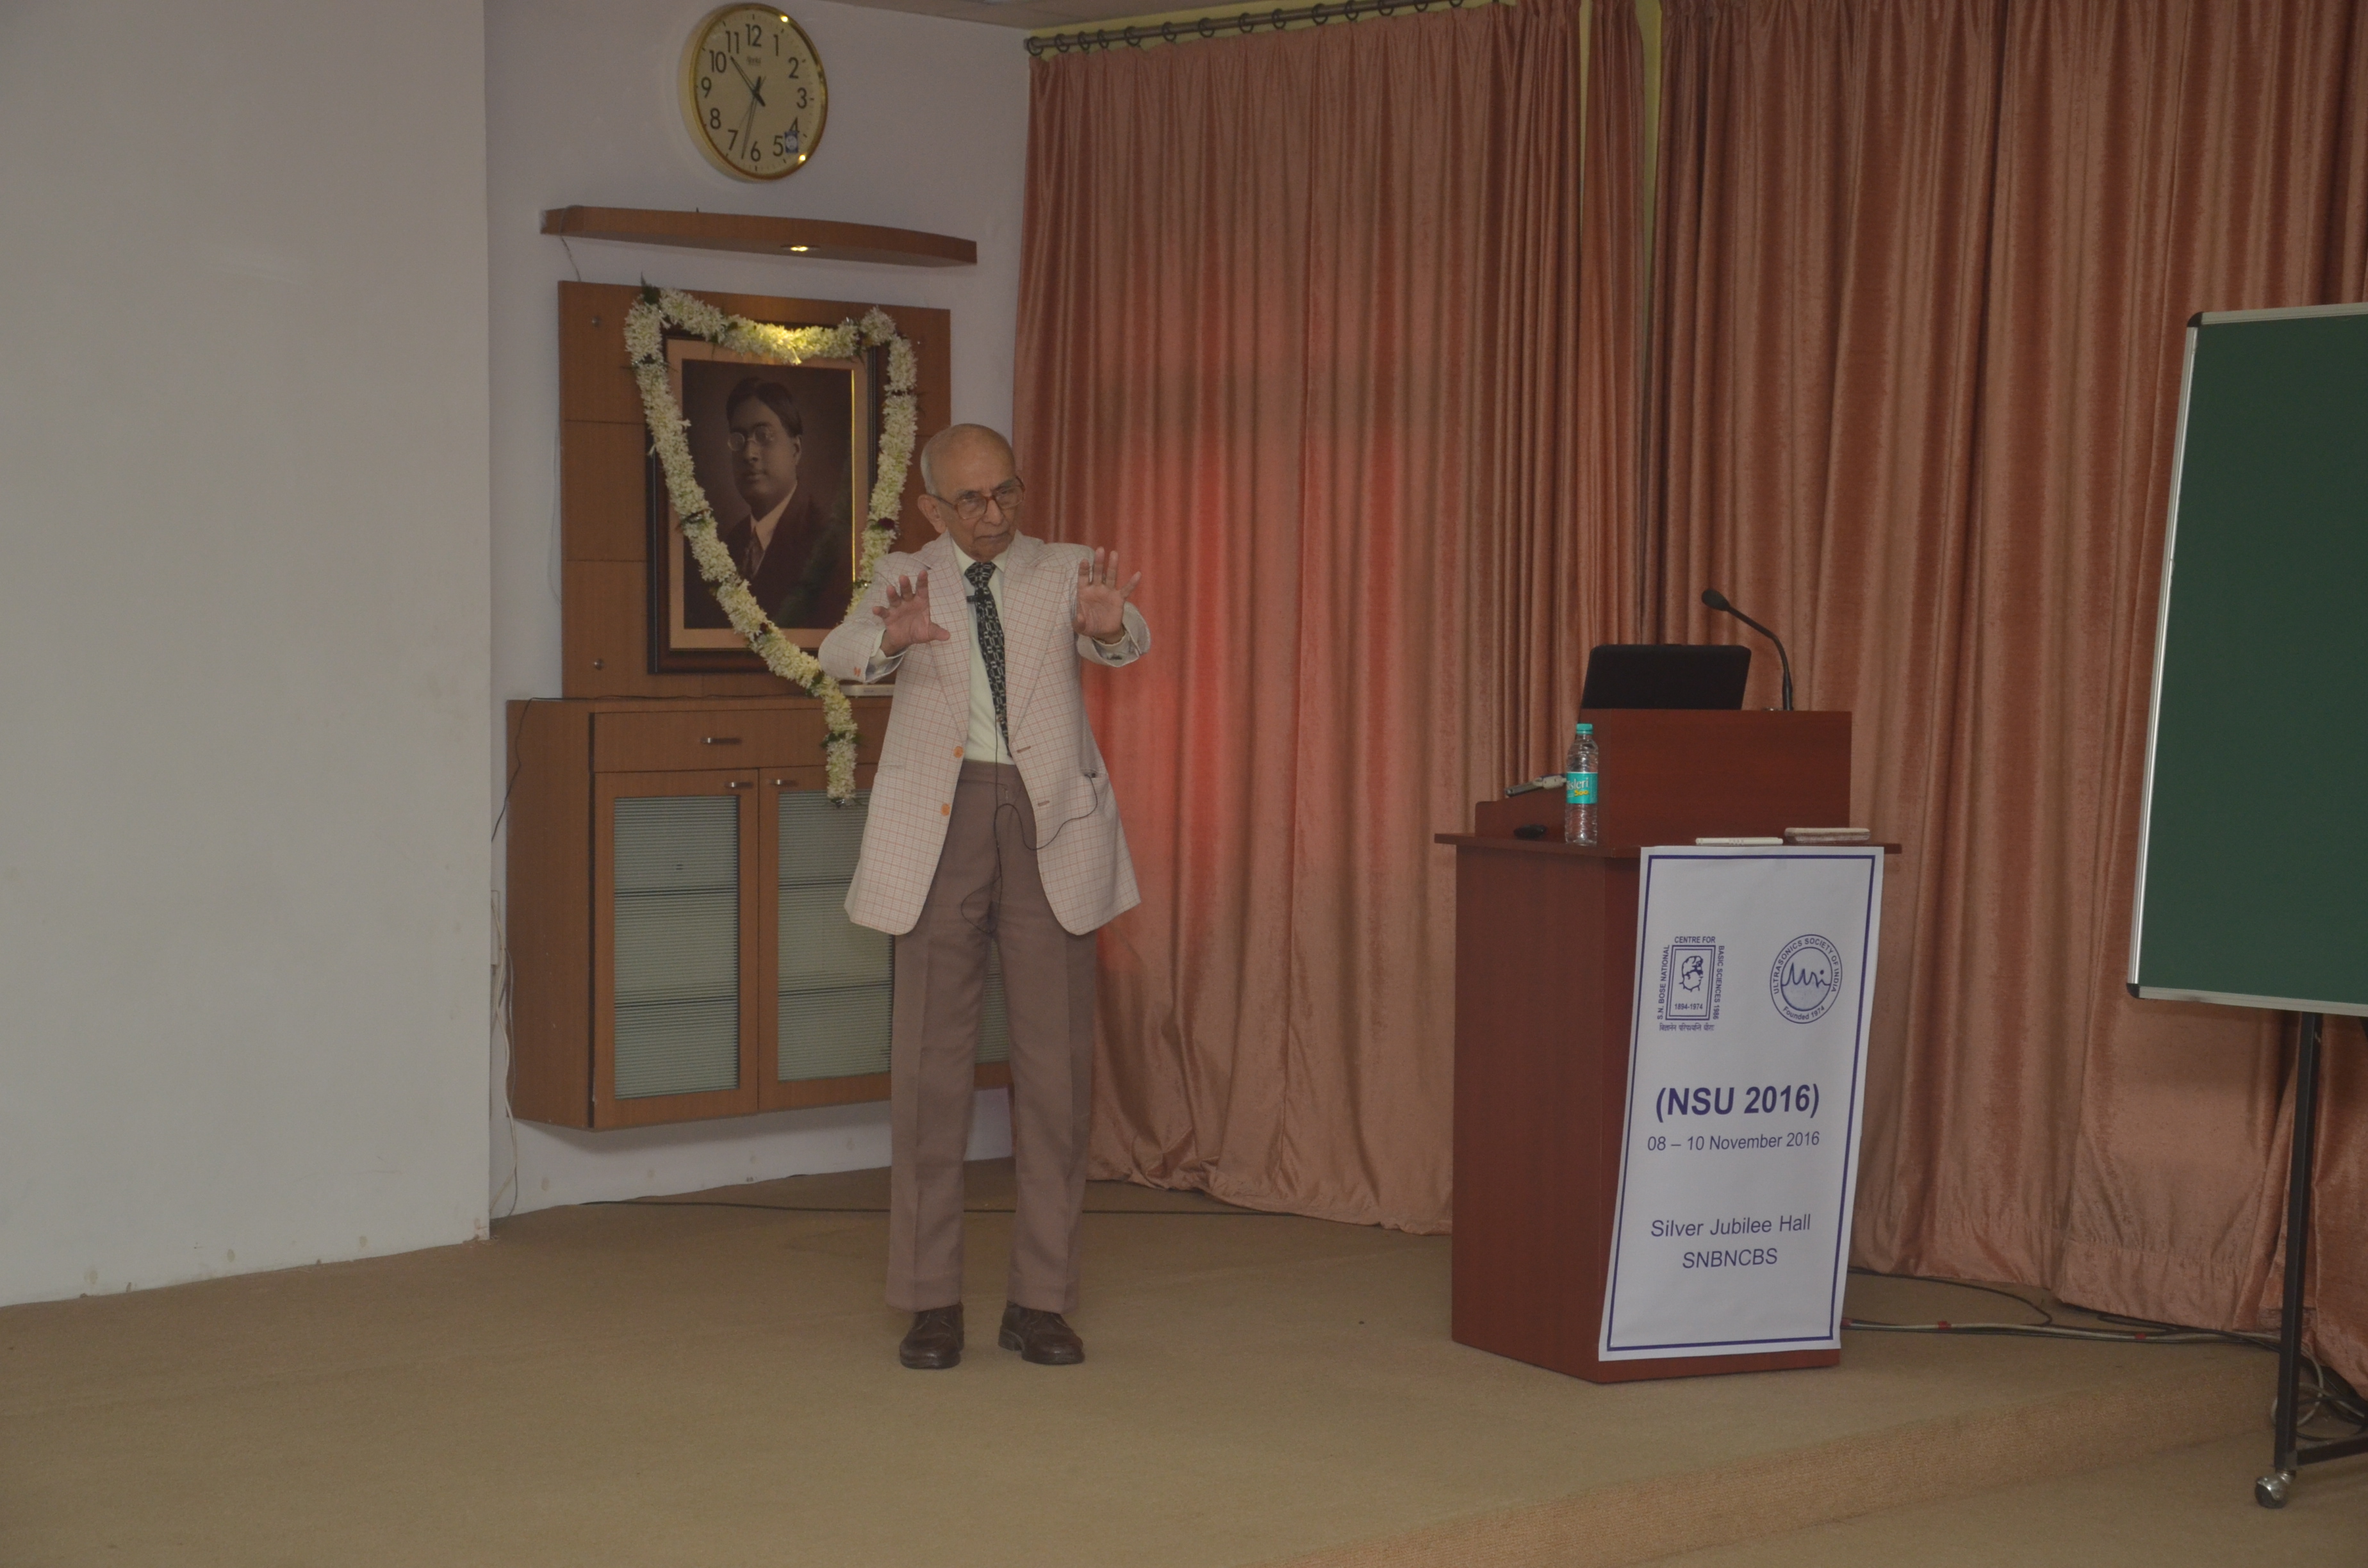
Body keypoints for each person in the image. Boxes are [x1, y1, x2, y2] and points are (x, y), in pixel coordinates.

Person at [818, 423, 1147, 1370]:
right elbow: (840, 653)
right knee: (930, 1072)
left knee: (1056, 1076)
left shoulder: (1066, 568)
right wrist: (891, 638)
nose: (995, 513)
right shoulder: (904, 574)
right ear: (932, 507)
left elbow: (1128, 637)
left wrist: (1109, 628)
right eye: (971, 499)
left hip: (1051, 826)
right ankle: (931, 1301)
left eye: (1007, 491)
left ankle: (1041, 1302)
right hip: (939, 823)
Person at [685, 377, 850, 630]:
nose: (749, 454)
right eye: (739, 439)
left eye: (764, 435)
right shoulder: (731, 544)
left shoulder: (827, 543)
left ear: (795, 450)